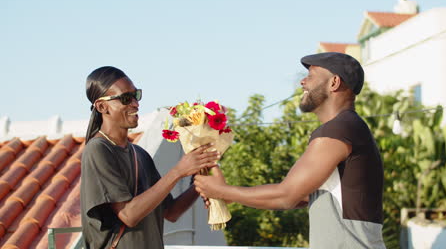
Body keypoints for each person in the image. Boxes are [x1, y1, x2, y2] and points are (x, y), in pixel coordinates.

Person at [194, 52, 386, 248]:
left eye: (311, 75)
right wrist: (228, 194)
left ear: (334, 82)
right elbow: (301, 196)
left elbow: (286, 195)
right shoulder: (349, 127)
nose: (303, 82)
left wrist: (222, 190)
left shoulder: (339, 129)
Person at [80, 66, 220, 249]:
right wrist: (178, 171)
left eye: (136, 95)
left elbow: (171, 212)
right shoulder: (98, 150)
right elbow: (128, 215)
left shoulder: (140, 154)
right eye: (125, 98)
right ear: (102, 106)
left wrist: (200, 180)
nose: (135, 104)